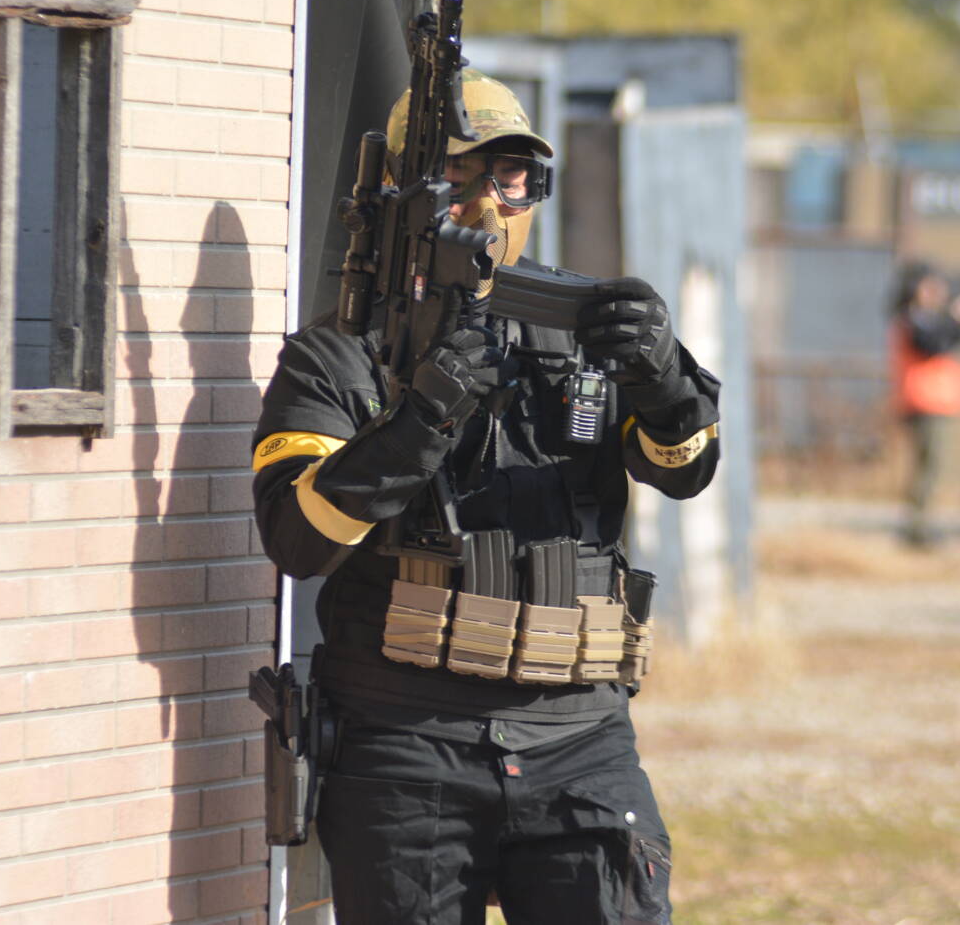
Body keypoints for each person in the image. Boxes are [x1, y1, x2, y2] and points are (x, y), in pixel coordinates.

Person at [250, 71, 720, 924]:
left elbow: (684, 468)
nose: (489, 203)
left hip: (579, 741)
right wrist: (418, 420)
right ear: (403, 193)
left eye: (512, 177)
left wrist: (664, 384)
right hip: (406, 747)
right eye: (459, 177)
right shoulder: (340, 355)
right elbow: (297, 538)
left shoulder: (579, 329)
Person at [889, 261, 960, 548]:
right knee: (925, 469)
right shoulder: (914, 318)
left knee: (930, 469)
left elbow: (952, 338)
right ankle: (917, 528)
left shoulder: (931, 318)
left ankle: (921, 524)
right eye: (930, 286)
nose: (937, 292)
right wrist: (957, 320)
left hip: (937, 403)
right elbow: (932, 344)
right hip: (923, 402)